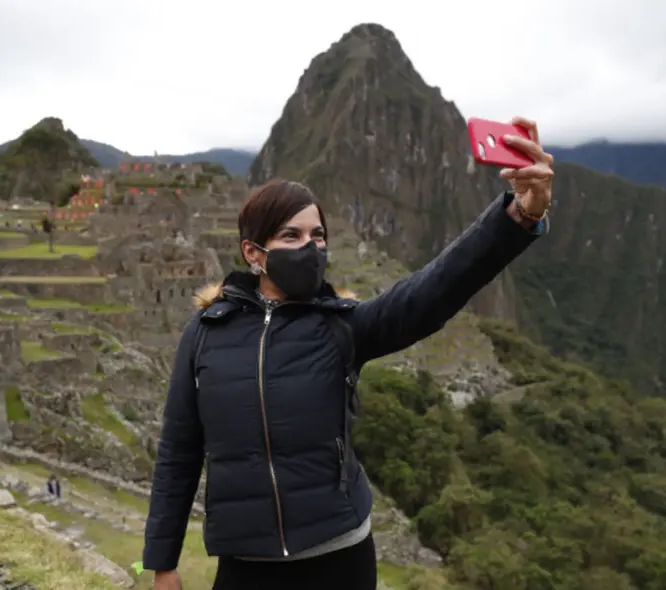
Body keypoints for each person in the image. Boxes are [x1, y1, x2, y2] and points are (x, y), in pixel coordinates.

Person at [143, 117, 555, 590]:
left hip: (338, 555)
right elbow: (179, 448)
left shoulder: (340, 326)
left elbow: (436, 288)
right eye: (291, 236)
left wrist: (518, 217)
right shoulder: (206, 331)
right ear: (253, 253)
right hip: (245, 560)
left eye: (318, 236)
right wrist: (163, 562)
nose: (311, 248)